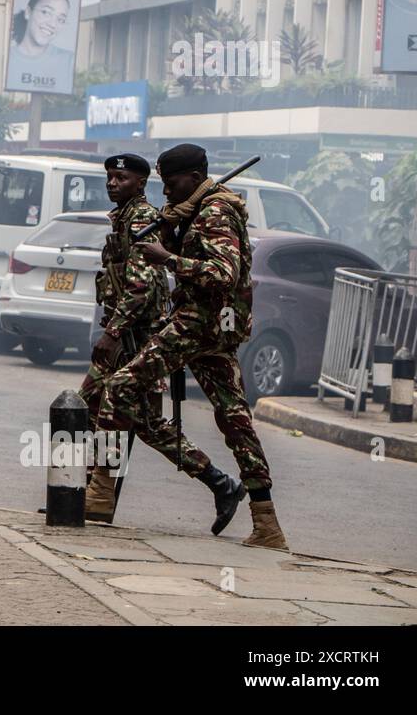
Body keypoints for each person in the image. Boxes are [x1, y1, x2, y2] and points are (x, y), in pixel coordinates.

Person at [96, 143, 287, 549]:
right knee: (235, 421)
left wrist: (167, 258)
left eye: (171, 183)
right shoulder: (195, 209)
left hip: (199, 325)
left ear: (196, 179)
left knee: (121, 386)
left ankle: (98, 492)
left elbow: (222, 272)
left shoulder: (216, 212)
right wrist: (172, 227)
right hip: (213, 328)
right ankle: (267, 522)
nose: (165, 191)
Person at [78, 153, 168, 523]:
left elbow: (141, 286)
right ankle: (87, 492)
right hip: (122, 329)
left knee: (128, 417)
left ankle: (96, 493)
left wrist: (113, 334)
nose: (113, 184)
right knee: (96, 409)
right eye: (110, 178)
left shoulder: (143, 218)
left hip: (135, 335)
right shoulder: (123, 217)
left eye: (122, 178)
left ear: (141, 183)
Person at [6, 0, 76, 91]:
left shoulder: (70, 62)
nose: (52, 24)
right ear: (28, 12)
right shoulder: (7, 59)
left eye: (60, 19)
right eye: (46, 12)